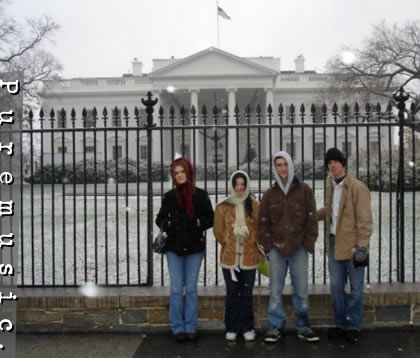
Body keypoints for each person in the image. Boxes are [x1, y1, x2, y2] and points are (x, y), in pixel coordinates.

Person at [259, 151, 319, 343]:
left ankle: (303, 325)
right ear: (275, 168)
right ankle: (275, 326)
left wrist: (308, 243)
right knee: (275, 291)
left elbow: (312, 219)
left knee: (301, 290)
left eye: (285, 165)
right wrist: (268, 245)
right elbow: (263, 222)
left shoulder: (304, 190)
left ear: (291, 166)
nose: (282, 169)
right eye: (278, 165)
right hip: (277, 248)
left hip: (298, 247)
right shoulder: (269, 194)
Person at [155, 157, 214, 343]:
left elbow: (210, 218)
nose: (180, 176)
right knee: (175, 288)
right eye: (176, 173)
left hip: (195, 247)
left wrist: (198, 222)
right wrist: (169, 223)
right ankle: (177, 326)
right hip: (174, 247)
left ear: (189, 173)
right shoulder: (169, 196)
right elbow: (160, 219)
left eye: (182, 172)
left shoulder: (200, 195)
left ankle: (191, 326)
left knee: (190, 289)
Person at [317, 148, 372, 343]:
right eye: (329, 162)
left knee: (356, 288)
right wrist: (311, 216)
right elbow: (329, 210)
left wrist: (362, 246)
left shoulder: (357, 187)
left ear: (343, 164)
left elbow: (365, 220)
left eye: (335, 161)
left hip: (353, 246)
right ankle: (341, 324)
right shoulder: (330, 185)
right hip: (334, 243)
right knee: (336, 288)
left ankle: (353, 326)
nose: (332, 165)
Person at [213, 170, 261, 342]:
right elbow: (218, 232)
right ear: (232, 186)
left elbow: (259, 230)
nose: (240, 188)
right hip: (230, 259)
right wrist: (228, 242)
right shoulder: (223, 206)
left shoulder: (255, 206)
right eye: (237, 184)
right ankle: (232, 326)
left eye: (242, 184)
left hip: (249, 258)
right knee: (232, 293)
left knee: (247, 294)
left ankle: (247, 327)